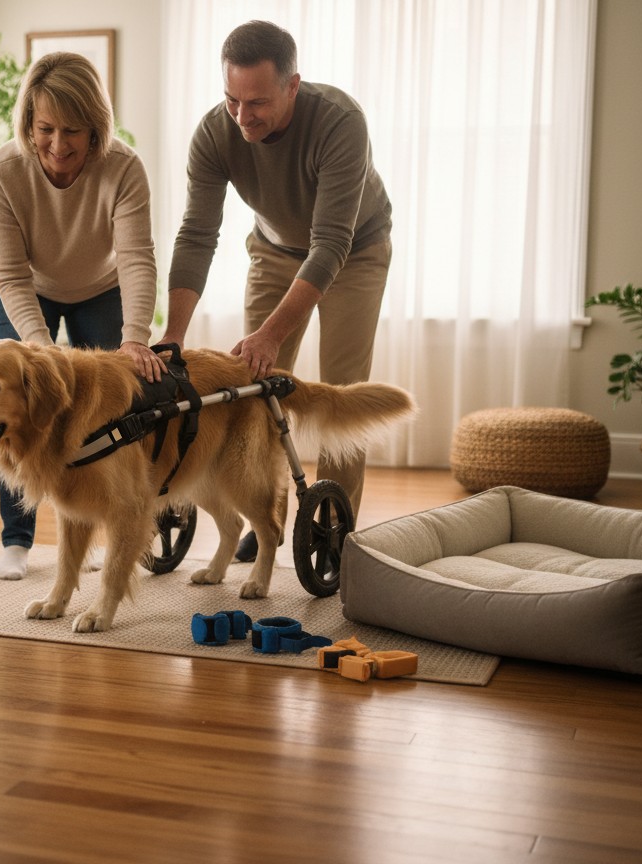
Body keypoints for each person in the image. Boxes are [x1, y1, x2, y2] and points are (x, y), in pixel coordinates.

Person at [161, 20, 392, 561]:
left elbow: (330, 244)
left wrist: (269, 333)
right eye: (232, 100)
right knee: (260, 387)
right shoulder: (214, 133)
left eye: (258, 102)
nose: (242, 116)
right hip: (275, 248)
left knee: (339, 389)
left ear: (292, 86)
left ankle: (333, 529)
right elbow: (196, 235)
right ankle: (268, 519)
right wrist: (172, 335)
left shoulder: (339, 121)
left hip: (355, 250)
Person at [0, 51, 166, 580]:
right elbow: (10, 274)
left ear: (96, 128)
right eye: (46, 129)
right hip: (25, 289)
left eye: (73, 131)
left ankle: (115, 527)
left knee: (108, 409)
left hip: (101, 288)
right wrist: (39, 352)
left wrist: (135, 338)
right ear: (28, 124)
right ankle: (16, 541)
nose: (58, 145)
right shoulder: (1, 172)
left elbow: (136, 258)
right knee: (13, 405)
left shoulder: (123, 167)